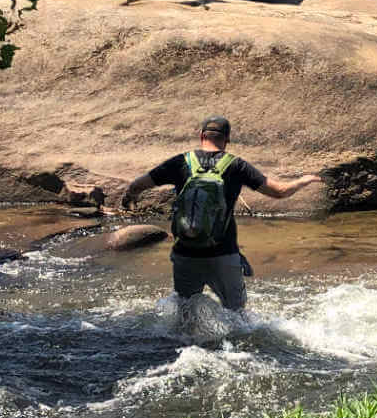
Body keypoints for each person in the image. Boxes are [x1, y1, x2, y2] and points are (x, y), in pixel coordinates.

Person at [119, 116, 321, 322]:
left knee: (184, 315)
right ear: (227, 140)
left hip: (186, 254)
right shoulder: (236, 165)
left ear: (201, 136)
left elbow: (137, 185)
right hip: (223, 254)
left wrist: (129, 198)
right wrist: (303, 181)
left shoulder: (180, 161)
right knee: (237, 316)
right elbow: (279, 192)